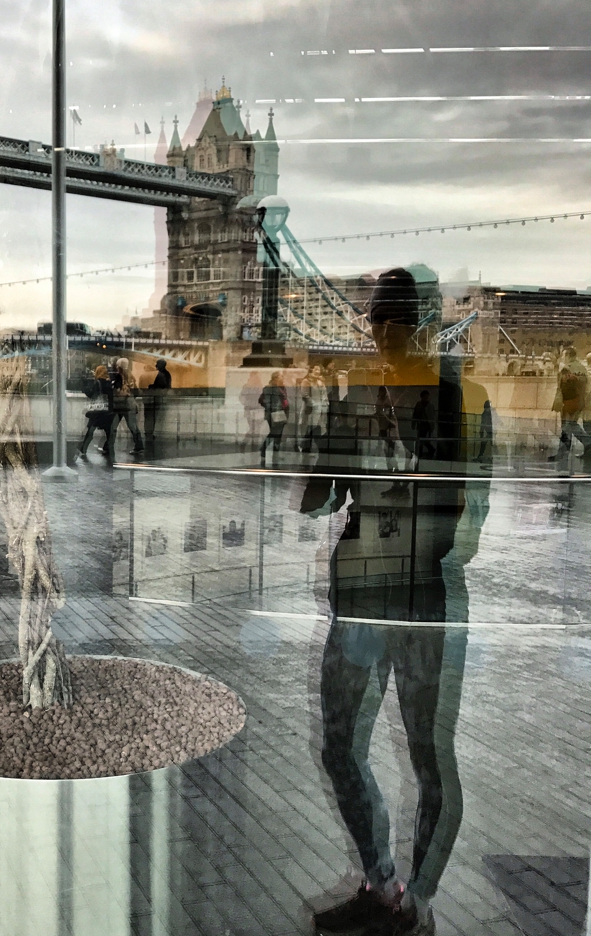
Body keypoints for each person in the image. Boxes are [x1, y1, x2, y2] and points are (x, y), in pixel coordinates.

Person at [302, 268, 491, 936]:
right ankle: (382, 885)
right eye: (377, 323)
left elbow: (467, 524)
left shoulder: (461, 398)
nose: (383, 335)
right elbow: (318, 499)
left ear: (423, 327)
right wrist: (326, 440)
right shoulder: (356, 393)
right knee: (338, 744)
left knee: (429, 757)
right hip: (360, 592)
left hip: (424, 599)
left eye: (396, 323)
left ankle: (417, 905)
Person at [549, 346, 591, 468]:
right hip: (579, 401)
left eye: (564, 355)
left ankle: (587, 442)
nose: (563, 357)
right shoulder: (582, 368)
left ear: (568, 355)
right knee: (568, 427)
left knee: (568, 426)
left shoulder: (567, 368)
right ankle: (563, 453)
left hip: (569, 402)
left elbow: (563, 387)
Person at [75, 365, 115, 463]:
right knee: (109, 432)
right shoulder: (109, 383)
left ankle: (83, 449)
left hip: (98, 411)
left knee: (90, 430)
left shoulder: (98, 383)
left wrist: (84, 386)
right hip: (108, 410)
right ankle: (109, 449)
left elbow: (92, 394)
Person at [110, 358, 144, 456]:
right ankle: (139, 446)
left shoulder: (118, 376)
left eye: (117, 365)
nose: (116, 367)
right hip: (130, 404)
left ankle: (108, 447)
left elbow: (116, 391)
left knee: (112, 426)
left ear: (119, 366)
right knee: (133, 427)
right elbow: (137, 391)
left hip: (119, 405)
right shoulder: (131, 377)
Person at [258, 371, 289, 465]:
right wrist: (273, 409)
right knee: (275, 433)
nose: (283, 378)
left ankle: (275, 453)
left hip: (281, 413)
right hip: (274, 413)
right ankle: (264, 448)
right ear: (275, 378)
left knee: (278, 434)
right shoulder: (269, 388)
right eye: (281, 376)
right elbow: (264, 401)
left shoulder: (282, 387)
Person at [299, 364, 329, 454]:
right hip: (310, 411)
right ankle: (305, 450)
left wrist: (325, 405)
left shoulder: (320, 382)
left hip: (319, 412)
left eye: (318, 370)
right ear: (311, 370)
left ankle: (318, 450)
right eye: (315, 369)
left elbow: (324, 395)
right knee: (308, 430)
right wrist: (315, 405)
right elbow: (305, 395)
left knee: (318, 430)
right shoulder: (306, 382)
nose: (317, 371)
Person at [143, 359, 172, 445]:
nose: (156, 366)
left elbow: (160, 386)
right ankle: (149, 433)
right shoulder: (166, 374)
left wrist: (150, 387)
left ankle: (149, 433)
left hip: (154, 398)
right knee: (152, 417)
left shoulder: (161, 375)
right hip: (158, 398)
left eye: (157, 364)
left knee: (149, 416)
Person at [239, 372, 264, 449]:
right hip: (250, 410)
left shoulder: (259, 386)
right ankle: (247, 443)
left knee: (256, 428)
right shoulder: (247, 386)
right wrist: (248, 404)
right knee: (253, 428)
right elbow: (242, 398)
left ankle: (251, 444)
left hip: (258, 410)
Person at [411, 389, 436, 461]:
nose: (426, 398)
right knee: (421, 439)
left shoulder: (430, 406)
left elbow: (432, 416)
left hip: (426, 424)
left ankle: (427, 451)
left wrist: (431, 426)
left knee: (422, 439)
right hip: (421, 424)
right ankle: (423, 452)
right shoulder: (419, 404)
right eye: (425, 396)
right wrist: (414, 423)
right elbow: (415, 414)